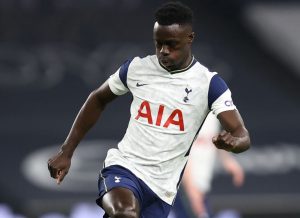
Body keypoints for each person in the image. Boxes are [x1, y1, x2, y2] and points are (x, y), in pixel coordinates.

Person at [47, 1, 251, 218]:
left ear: (189, 38)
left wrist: (234, 143)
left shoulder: (210, 85)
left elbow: (242, 135)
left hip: (161, 189)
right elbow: (98, 98)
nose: (163, 51)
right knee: (125, 212)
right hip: (124, 168)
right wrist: (66, 151)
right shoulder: (136, 69)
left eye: (171, 44)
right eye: (158, 43)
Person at [172, 112, 245, 218]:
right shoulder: (188, 106)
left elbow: (214, 136)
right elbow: (182, 151)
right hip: (184, 189)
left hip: (201, 185)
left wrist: (227, 161)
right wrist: (191, 189)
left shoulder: (216, 104)